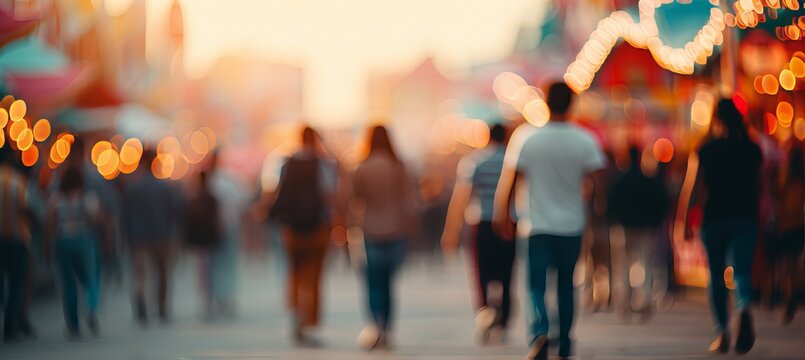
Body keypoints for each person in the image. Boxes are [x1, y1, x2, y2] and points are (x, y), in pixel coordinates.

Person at [493, 82, 606, 360]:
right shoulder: (585, 140)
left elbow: (508, 183)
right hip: (571, 226)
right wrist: (598, 215)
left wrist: (502, 215)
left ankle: (540, 331)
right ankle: (565, 341)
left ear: (544, 102)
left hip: (535, 226)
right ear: (572, 103)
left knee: (535, 286)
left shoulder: (526, 137)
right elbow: (599, 186)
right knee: (567, 285)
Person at [682, 98, 762, 354]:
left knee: (716, 275)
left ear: (716, 118)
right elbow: (760, 187)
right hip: (746, 215)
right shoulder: (752, 149)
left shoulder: (705, 149)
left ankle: (722, 331)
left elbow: (692, 188)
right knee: (742, 271)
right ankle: (745, 305)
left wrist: (682, 220)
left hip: (714, 216)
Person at [441, 123, 515, 344]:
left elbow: (460, 197)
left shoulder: (474, 161)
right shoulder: (511, 160)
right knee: (507, 273)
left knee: (481, 270)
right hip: (509, 223)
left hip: (481, 221)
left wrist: (451, 230)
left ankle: (484, 311)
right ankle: (503, 319)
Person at [271, 126, 338, 344]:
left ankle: (295, 313)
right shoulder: (324, 164)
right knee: (313, 275)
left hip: (291, 227)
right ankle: (308, 320)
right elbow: (329, 195)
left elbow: (277, 191)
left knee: (294, 272)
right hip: (317, 226)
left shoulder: (286, 162)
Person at [350, 125, 415, 350]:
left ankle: (375, 325)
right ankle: (387, 329)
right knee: (388, 283)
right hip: (396, 231)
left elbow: (352, 199)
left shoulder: (362, 167)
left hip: (370, 231)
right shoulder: (399, 167)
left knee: (372, 282)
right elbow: (410, 200)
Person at [607, 145, 670, 321]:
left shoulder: (619, 180)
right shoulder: (649, 180)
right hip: (646, 227)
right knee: (646, 263)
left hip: (623, 227)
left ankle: (625, 303)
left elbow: (610, 204)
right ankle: (644, 298)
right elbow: (662, 202)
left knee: (623, 265)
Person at [122, 149, 183, 325]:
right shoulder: (164, 187)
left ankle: (141, 299)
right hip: (162, 235)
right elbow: (174, 212)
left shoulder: (132, 187)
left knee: (140, 273)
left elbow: (125, 214)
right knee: (162, 272)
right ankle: (162, 306)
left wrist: (128, 236)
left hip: (139, 237)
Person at [45, 165, 103, 339]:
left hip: (62, 240)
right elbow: (95, 219)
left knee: (68, 284)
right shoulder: (87, 196)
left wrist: (47, 246)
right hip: (84, 239)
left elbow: (50, 224)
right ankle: (91, 309)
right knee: (91, 278)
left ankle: (73, 325)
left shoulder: (56, 198)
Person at [0, 147, 36, 342]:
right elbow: (25, 208)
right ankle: (11, 325)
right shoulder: (16, 181)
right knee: (16, 283)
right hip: (16, 239)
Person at [769, 141, 803, 325]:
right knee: (794, 263)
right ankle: (794, 292)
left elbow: (776, 193)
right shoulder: (801, 178)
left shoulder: (784, 176)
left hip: (785, 226)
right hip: (798, 226)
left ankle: (788, 294)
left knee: (784, 264)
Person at [182, 171, 222, 318]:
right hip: (210, 239)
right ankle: (210, 296)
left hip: (200, 239)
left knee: (202, 269)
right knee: (210, 268)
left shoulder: (194, 198)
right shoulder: (212, 198)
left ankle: (206, 297)